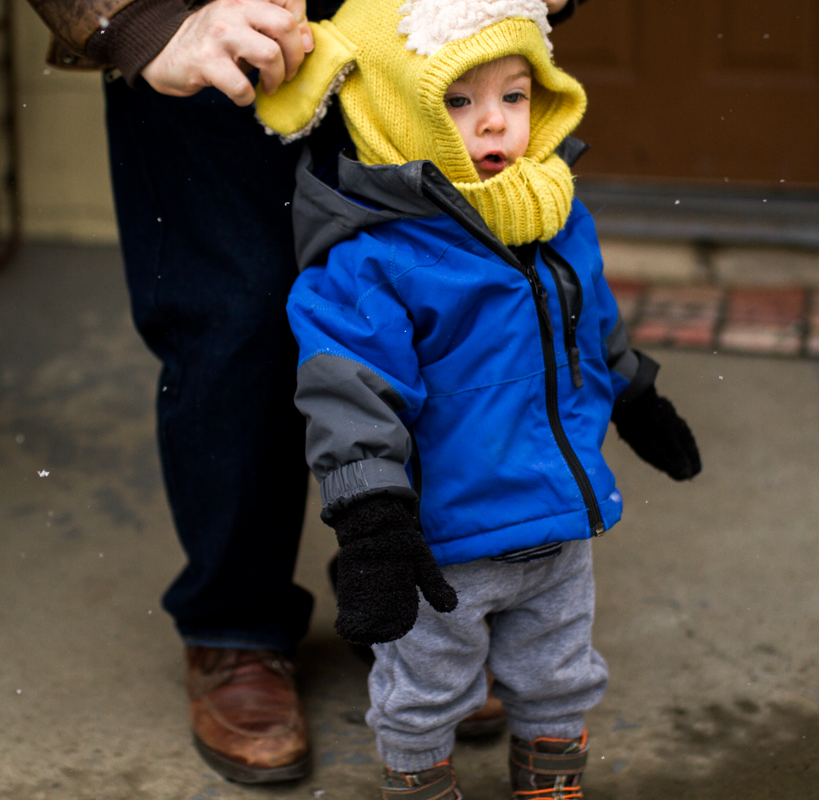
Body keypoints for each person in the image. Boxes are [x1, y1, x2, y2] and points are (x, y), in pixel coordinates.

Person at [22, 0, 581, 785]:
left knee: (444, 311)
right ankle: (236, 624)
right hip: (218, 35)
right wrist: (144, 19)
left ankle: (413, 606)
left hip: (426, 38)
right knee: (234, 320)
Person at [257, 0, 701, 794]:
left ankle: (551, 783)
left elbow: (588, 325)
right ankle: (422, 783)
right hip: (442, 546)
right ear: (397, 111)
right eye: (457, 101)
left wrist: (638, 397)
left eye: (515, 95)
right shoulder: (373, 264)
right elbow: (350, 401)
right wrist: (372, 525)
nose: (494, 124)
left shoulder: (555, 213)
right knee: (425, 690)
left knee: (560, 674)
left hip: (560, 528)